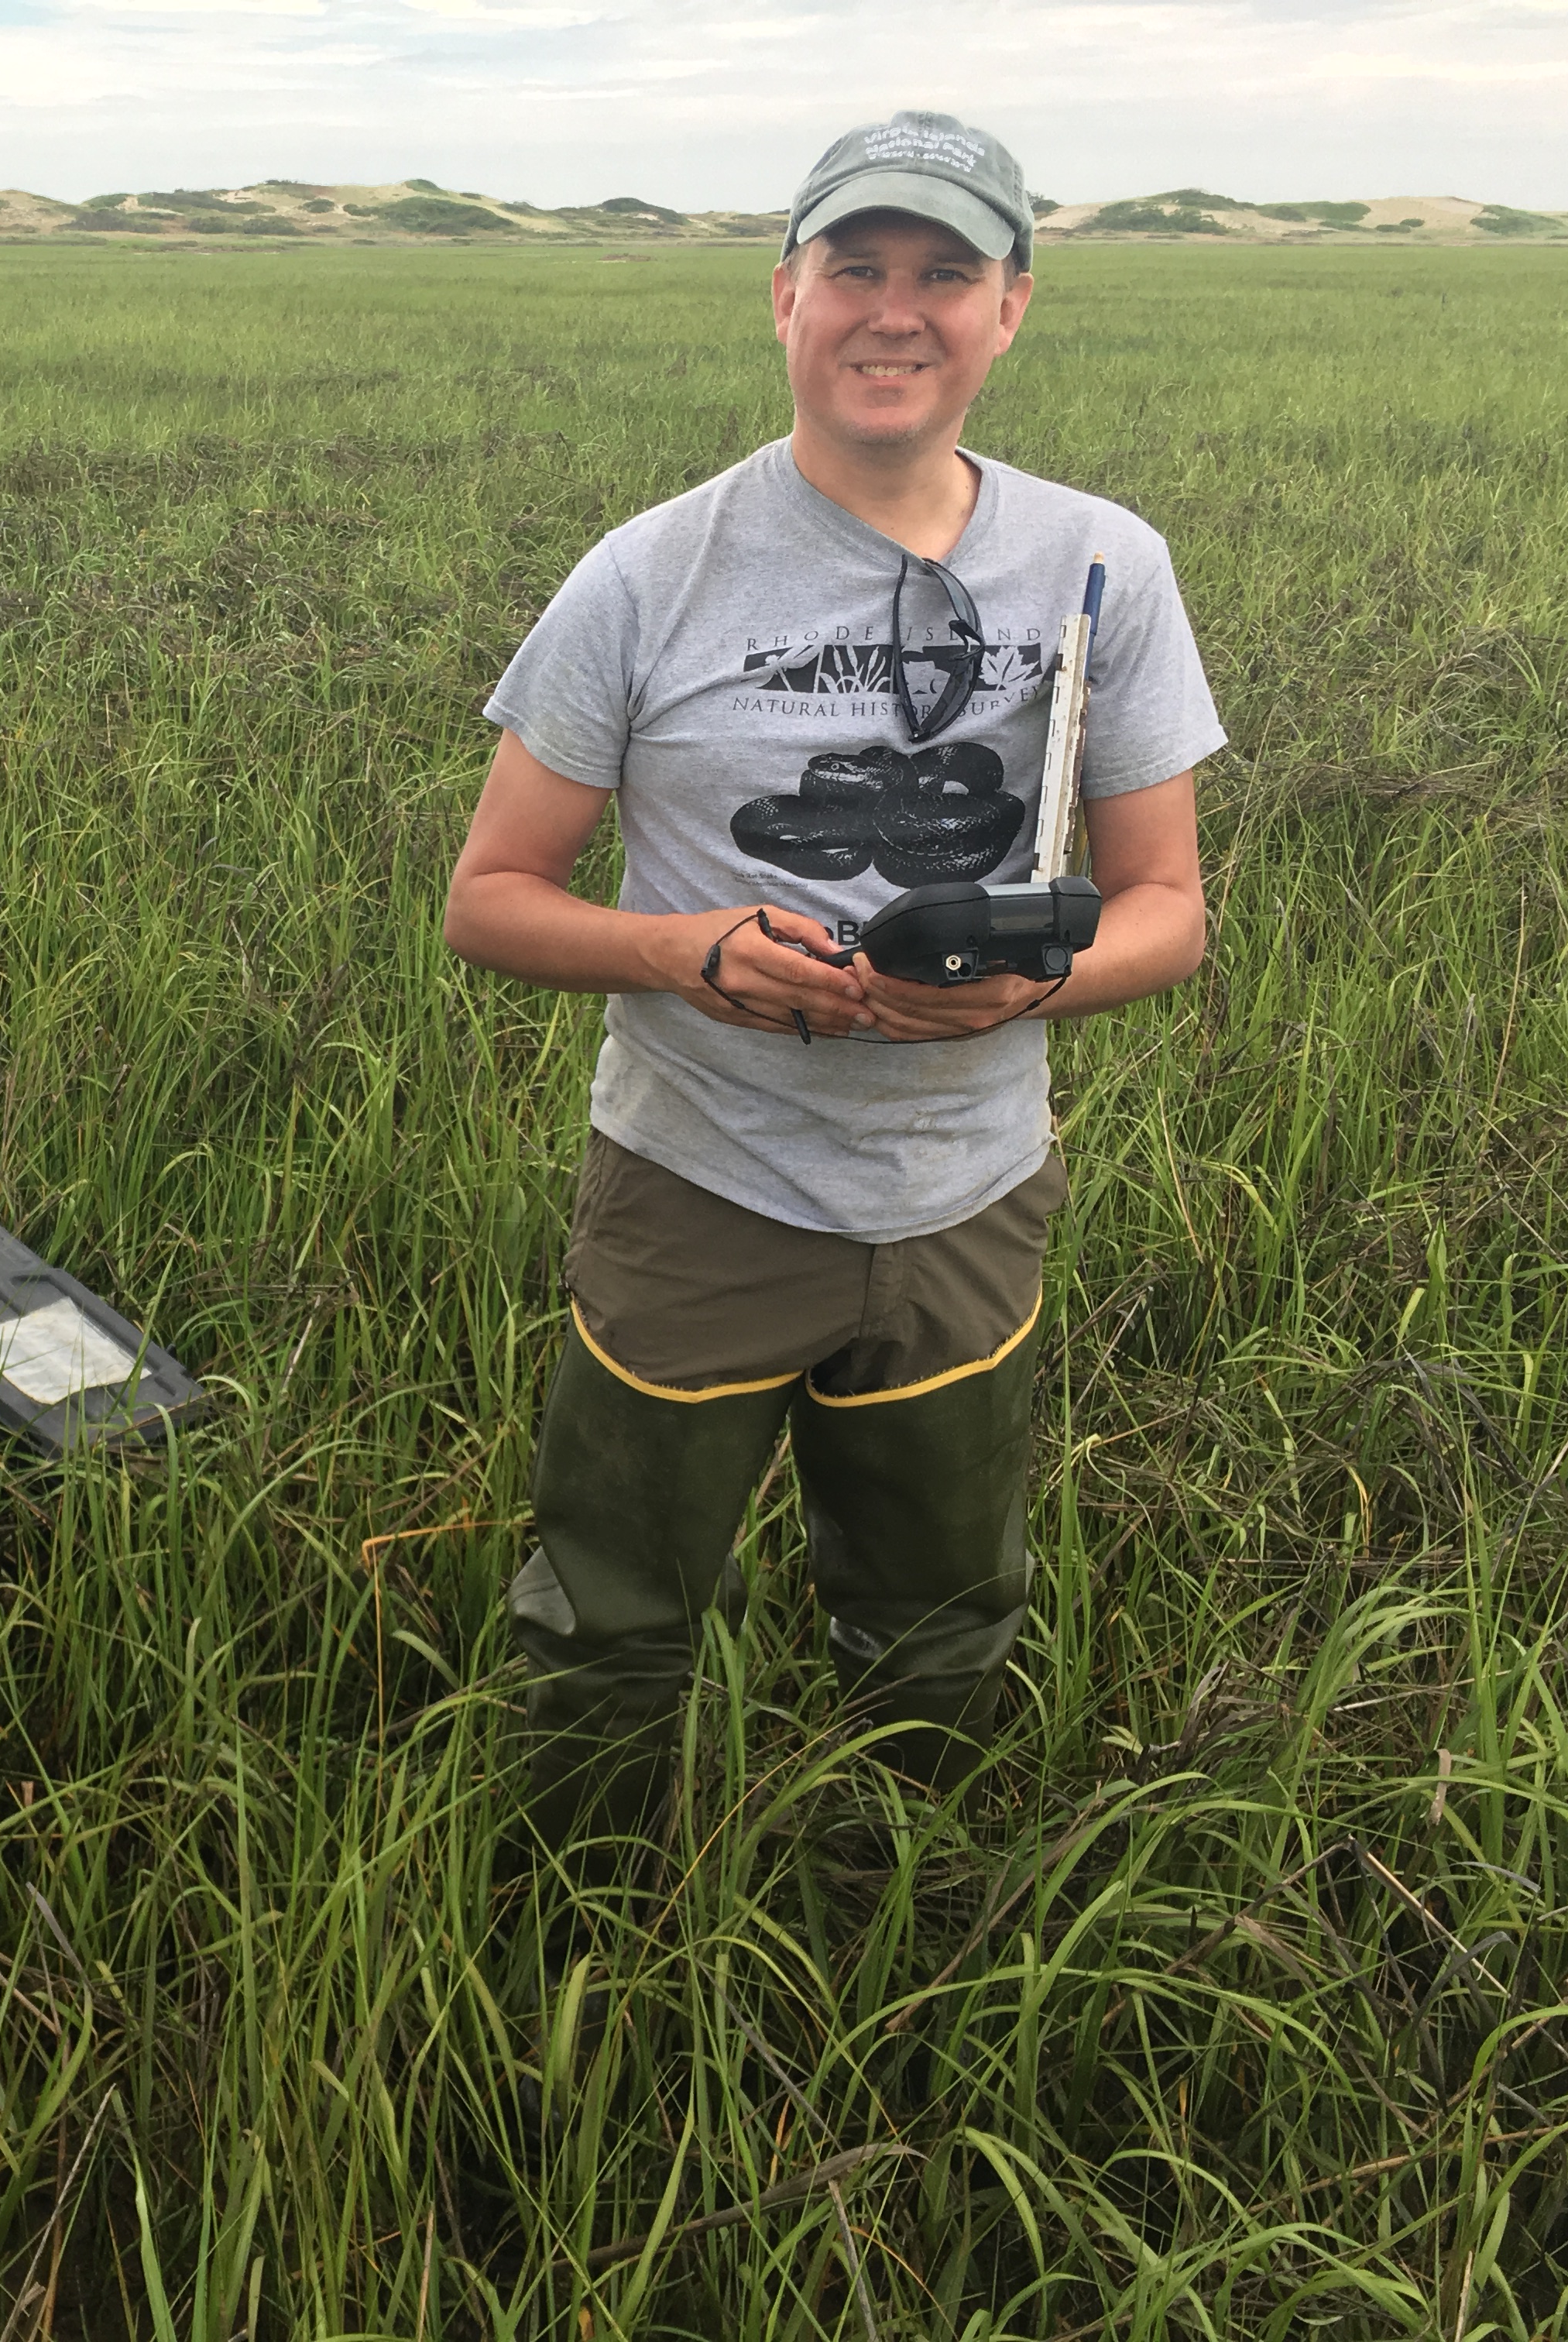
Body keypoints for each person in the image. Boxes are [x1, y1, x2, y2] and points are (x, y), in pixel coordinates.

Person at [443, 111, 1222, 1852]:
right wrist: (689, 954)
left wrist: (1029, 990)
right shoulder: (651, 572)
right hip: (698, 1193)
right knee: (611, 1618)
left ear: (1011, 308)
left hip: (967, 1197)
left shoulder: (1106, 565)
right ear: (782, 298)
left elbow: (1169, 908)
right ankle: (575, 1923)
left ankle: (905, 1912)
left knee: (942, 1622)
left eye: (944, 273)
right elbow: (490, 898)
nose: (897, 311)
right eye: (855, 270)